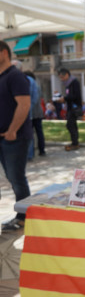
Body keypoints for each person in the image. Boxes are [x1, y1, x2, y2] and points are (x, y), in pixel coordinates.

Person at [0, 41, 32, 231]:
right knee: (12, 178)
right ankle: (22, 214)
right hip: (4, 137)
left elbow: (24, 105)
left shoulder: (15, 76)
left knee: (16, 178)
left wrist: (12, 130)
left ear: (4, 53)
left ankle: (24, 216)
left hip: (15, 137)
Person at [58, 68, 82, 151]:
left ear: (67, 75)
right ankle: (74, 142)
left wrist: (64, 98)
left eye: (62, 77)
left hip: (74, 108)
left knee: (70, 125)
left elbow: (75, 96)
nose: (62, 79)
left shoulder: (74, 82)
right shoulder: (68, 84)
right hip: (70, 107)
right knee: (71, 125)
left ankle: (75, 143)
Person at [24, 70, 46, 157]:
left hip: (31, 112)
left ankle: (31, 152)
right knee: (39, 131)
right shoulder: (37, 85)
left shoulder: (29, 84)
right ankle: (42, 150)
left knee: (31, 132)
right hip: (38, 112)